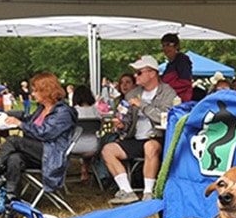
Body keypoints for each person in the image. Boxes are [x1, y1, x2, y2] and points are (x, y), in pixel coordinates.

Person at [0, 72, 76, 218]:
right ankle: (11, 208)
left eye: (36, 90)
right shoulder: (42, 109)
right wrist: (8, 116)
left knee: (14, 141)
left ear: (46, 91)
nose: (32, 93)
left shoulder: (63, 112)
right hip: (37, 153)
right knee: (14, 158)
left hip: (51, 156)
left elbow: (45, 134)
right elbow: (28, 119)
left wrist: (19, 124)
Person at [101, 55, 177, 204]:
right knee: (107, 150)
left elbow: (166, 118)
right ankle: (127, 191)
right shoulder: (132, 94)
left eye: (139, 72)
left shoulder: (168, 93)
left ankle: (148, 193)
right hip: (136, 139)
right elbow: (127, 122)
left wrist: (142, 105)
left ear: (152, 73)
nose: (136, 76)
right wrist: (122, 126)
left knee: (150, 146)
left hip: (159, 137)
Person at [69, 85, 102, 181]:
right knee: (89, 140)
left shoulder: (73, 111)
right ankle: (85, 169)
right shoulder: (95, 110)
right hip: (93, 147)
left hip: (74, 147)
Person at [161, 33, 193, 102]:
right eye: (163, 45)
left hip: (180, 100)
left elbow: (185, 82)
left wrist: (166, 89)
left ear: (177, 46)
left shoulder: (182, 60)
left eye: (169, 45)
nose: (165, 48)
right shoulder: (169, 64)